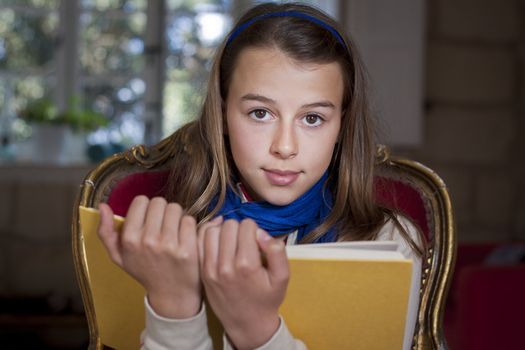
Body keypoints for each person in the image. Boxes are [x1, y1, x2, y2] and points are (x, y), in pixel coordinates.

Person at [97, 2, 424, 350]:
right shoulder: (163, 245)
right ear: (222, 115)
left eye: (312, 118)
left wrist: (256, 331)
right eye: (260, 113)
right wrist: (173, 309)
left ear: (342, 125)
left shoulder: (390, 244)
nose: (285, 147)